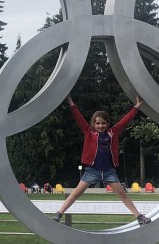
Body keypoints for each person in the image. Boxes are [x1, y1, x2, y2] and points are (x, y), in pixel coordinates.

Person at [52, 95, 151, 226]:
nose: (100, 126)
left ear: (108, 124)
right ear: (93, 124)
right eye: (97, 123)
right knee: (76, 193)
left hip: (109, 171)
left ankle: (139, 217)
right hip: (92, 170)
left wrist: (136, 108)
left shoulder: (113, 132)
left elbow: (125, 121)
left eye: (103, 123)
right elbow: (79, 118)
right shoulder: (88, 132)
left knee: (123, 194)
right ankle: (58, 214)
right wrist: (71, 102)